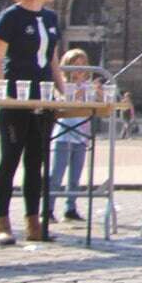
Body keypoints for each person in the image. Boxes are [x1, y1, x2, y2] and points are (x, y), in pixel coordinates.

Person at [0, 0, 65, 246]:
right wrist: (0, 92)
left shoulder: (51, 18)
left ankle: (34, 222)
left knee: (36, 161)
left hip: (43, 98)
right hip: (16, 98)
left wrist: (62, 91)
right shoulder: (11, 17)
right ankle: (2, 222)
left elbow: (53, 58)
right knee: (10, 158)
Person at [46, 48, 91, 223]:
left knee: (75, 177)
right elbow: (61, 103)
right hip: (63, 136)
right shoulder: (61, 86)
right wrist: (73, 95)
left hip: (81, 136)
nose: (78, 69)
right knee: (56, 176)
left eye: (82, 65)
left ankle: (70, 208)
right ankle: (48, 208)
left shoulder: (88, 86)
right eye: (74, 65)